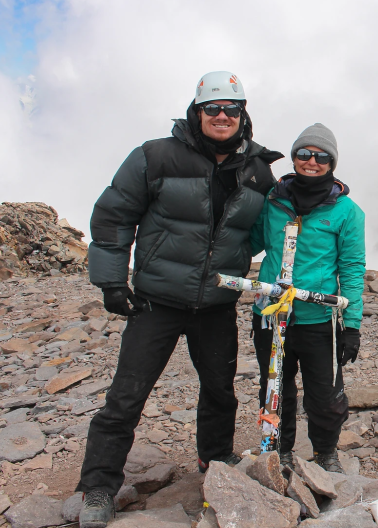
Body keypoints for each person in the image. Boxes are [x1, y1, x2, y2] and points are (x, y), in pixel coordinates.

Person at [77, 71, 283, 528]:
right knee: (127, 396)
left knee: (219, 390)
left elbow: (273, 222)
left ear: (243, 114)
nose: (222, 116)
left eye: (232, 108)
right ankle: (98, 488)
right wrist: (112, 282)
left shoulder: (257, 170)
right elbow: (114, 215)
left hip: (216, 303)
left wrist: (328, 192)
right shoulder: (156, 156)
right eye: (213, 108)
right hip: (157, 301)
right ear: (197, 112)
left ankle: (215, 462)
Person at [251, 123, 365, 473]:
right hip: (270, 315)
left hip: (319, 319)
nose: (311, 161)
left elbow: (352, 268)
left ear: (332, 162)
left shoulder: (346, 212)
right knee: (275, 388)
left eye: (321, 156)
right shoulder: (272, 200)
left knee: (325, 394)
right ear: (295, 156)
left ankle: (325, 454)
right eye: (304, 154)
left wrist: (352, 326)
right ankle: (279, 452)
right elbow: (249, 241)